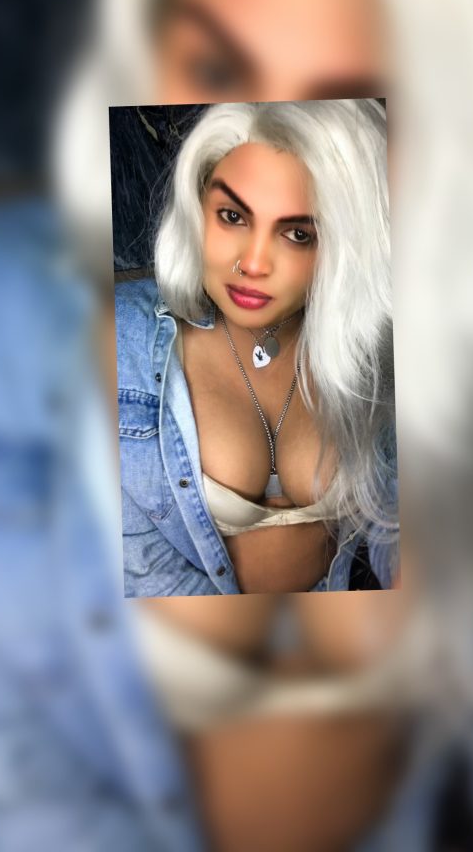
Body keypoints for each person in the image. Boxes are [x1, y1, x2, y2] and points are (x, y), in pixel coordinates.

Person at [116, 98, 397, 596]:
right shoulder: (123, 340)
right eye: (232, 216)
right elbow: (133, 566)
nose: (253, 263)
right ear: (198, 208)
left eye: (298, 234)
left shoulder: (371, 346)